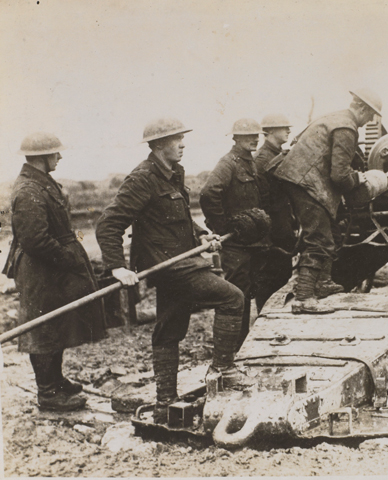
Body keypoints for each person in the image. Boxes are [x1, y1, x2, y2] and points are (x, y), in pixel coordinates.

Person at [96, 118, 253, 424]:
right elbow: (108, 224)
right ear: (157, 145)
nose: (182, 143)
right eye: (176, 139)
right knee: (233, 298)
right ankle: (223, 369)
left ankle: (165, 402)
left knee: (168, 328)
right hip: (169, 267)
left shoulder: (173, 174)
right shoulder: (142, 179)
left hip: (182, 261)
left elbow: (179, 219)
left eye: (182, 138)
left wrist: (201, 236)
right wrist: (117, 266)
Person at [2, 132, 106, 411]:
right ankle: (47, 392)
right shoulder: (28, 191)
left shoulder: (41, 185)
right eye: (55, 153)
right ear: (41, 157)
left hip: (49, 268)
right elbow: (35, 241)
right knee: (44, 327)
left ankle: (56, 380)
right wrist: (68, 260)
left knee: (56, 324)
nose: (59, 156)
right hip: (40, 270)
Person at [271, 89, 382, 314]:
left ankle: (322, 282)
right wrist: (359, 178)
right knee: (319, 239)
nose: (370, 120)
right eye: (370, 114)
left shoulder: (334, 117)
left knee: (332, 231)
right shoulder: (346, 127)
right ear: (361, 107)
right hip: (307, 183)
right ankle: (303, 297)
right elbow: (339, 175)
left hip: (300, 179)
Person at [200, 118, 270, 345]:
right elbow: (209, 193)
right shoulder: (228, 163)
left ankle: (241, 345)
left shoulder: (250, 163)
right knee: (236, 296)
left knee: (247, 294)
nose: (254, 139)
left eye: (256, 135)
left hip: (251, 244)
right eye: (248, 135)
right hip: (235, 245)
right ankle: (230, 350)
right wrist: (223, 227)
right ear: (236, 138)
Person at [253, 114, 296, 311]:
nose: (288, 130)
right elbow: (262, 202)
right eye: (282, 127)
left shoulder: (277, 155)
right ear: (268, 132)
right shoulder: (263, 160)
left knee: (281, 278)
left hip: (282, 229)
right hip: (272, 233)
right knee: (269, 282)